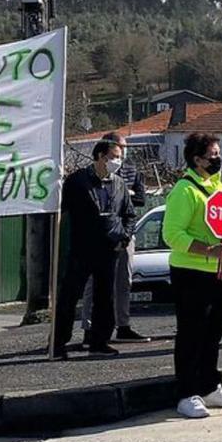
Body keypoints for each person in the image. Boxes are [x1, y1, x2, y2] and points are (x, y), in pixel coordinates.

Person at [163, 133, 222, 419]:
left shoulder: (219, 188)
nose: (217, 159)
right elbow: (172, 234)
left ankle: (210, 385)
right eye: (212, 155)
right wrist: (206, 250)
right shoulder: (185, 191)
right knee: (191, 333)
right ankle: (186, 393)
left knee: (214, 332)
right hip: (191, 273)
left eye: (218, 153)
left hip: (221, 273)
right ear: (197, 160)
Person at [52, 140, 137, 360]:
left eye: (119, 157)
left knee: (105, 297)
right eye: (114, 157)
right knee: (69, 297)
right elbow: (64, 211)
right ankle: (58, 343)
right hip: (82, 249)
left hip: (110, 249)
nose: (117, 162)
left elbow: (129, 214)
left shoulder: (118, 184)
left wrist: (124, 237)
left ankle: (100, 341)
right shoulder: (78, 181)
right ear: (100, 156)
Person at [81, 131, 151, 343]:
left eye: (123, 150)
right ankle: (89, 328)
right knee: (93, 284)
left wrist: (126, 234)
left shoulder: (131, 171)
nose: (121, 157)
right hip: (99, 236)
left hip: (123, 234)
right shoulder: (88, 177)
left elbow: (138, 200)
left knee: (124, 281)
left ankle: (123, 325)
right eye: (117, 151)